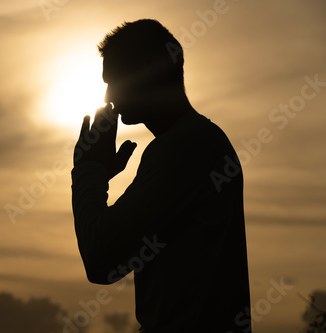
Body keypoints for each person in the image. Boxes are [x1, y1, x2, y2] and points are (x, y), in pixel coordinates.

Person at [71, 19, 252, 332]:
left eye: (114, 80)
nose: (107, 97)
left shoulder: (183, 148)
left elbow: (102, 259)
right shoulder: (197, 142)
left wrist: (89, 170)